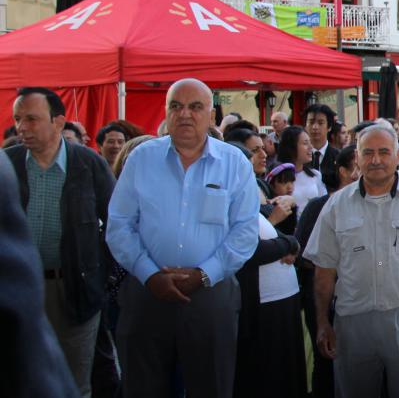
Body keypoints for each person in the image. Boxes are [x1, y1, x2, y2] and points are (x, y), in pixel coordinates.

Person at [106, 78, 259, 398]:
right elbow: (119, 225)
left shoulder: (234, 163)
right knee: (142, 387)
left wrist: (203, 274)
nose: (185, 114)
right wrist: (149, 274)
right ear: (166, 113)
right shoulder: (141, 159)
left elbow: (244, 233)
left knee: (211, 387)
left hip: (210, 294)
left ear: (212, 115)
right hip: (147, 292)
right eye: (176, 106)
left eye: (195, 107)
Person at [301, 124, 399, 397]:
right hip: (353, 320)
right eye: (368, 153)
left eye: (384, 152)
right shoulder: (336, 205)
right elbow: (324, 270)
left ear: (398, 156)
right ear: (357, 158)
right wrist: (322, 322)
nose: (376, 160)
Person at [6, 87, 116, 398]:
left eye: (31, 119)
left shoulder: (88, 165)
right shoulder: (8, 164)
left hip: (74, 290)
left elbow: (115, 224)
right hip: (19, 290)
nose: (22, 127)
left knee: (73, 383)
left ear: (58, 121)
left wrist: (100, 278)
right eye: (18, 119)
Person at [228, 139, 304, 398]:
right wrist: (288, 243)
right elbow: (247, 250)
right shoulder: (225, 203)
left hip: (277, 303)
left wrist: (286, 242)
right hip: (260, 306)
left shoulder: (245, 197)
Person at [293, 145, 359, 398]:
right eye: (357, 163)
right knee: (327, 362)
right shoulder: (319, 206)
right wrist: (335, 264)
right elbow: (302, 253)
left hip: (358, 302)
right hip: (323, 298)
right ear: (344, 171)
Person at [274, 126, 327, 214]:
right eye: (305, 143)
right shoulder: (279, 177)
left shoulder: (315, 174)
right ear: (291, 147)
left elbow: (324, 203)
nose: (311, 147)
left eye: (310, 143)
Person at [301, 104, 340, 189]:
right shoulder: (299, 157)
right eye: (311, 122)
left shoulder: (338, 157)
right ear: (305, 126)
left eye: (320, 123)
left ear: (329, 127)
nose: (315, 127)